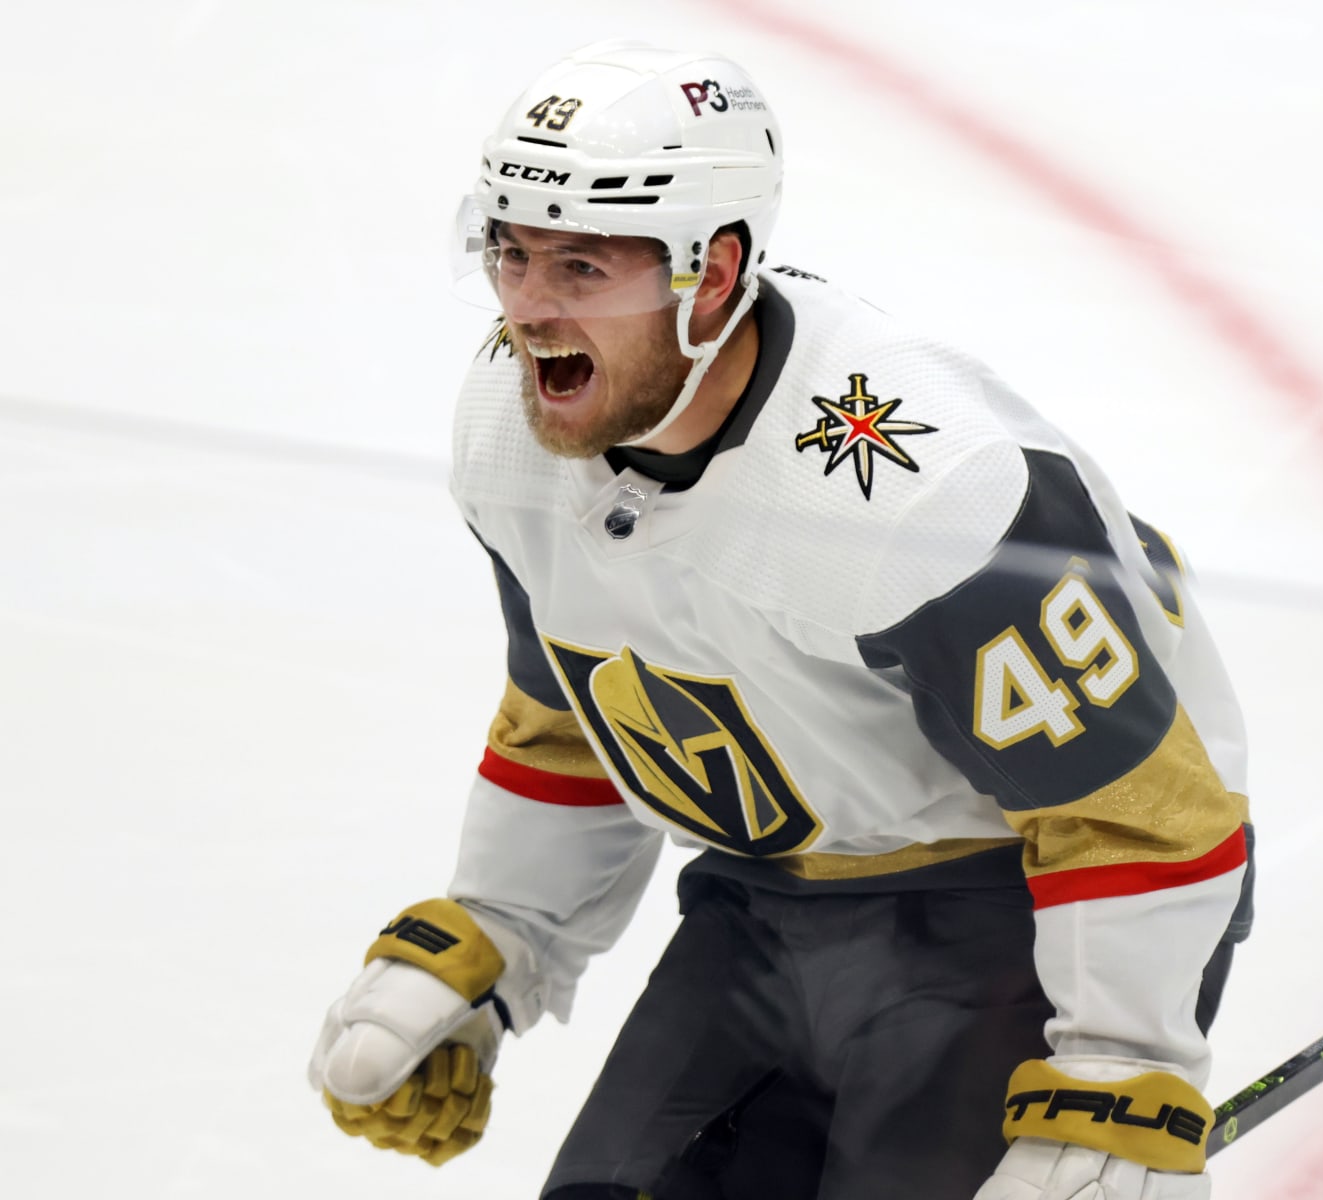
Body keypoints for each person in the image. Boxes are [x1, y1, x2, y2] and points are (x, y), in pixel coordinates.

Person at [307, 39, 1255, 1200]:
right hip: (762, 902)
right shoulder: (514, 435)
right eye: (510, 254)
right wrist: (502, 929)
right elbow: (581, 706)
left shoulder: (919, 494)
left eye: (582, 267)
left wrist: (1120, 1074)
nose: (532, 310)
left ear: (713, 274)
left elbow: (1133, 807)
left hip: (1009, 904)